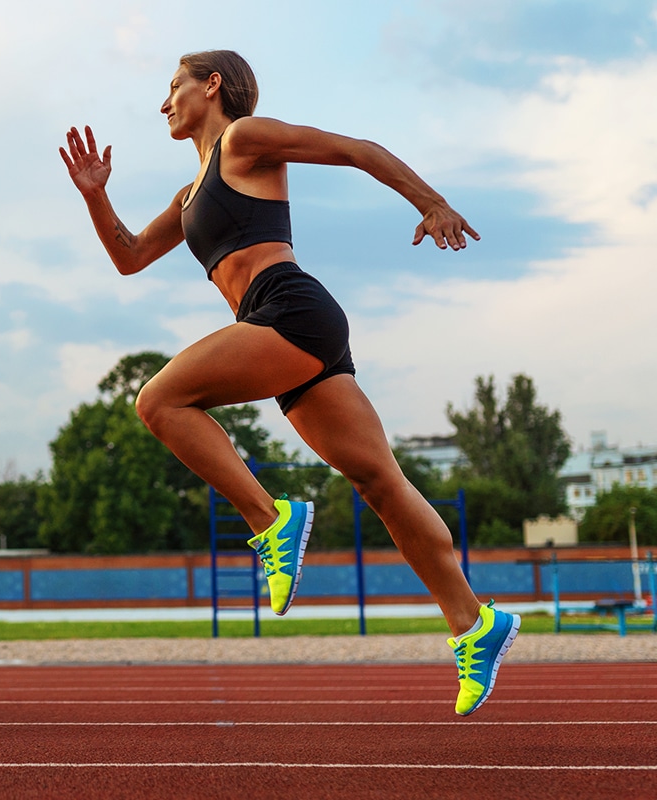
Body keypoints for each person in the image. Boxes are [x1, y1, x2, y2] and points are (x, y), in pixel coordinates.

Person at [60, 50, 518, 716]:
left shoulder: (245, 140)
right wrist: (97, 198)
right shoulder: (188, 197)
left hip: (289, 308)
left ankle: (270, 519)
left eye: (174, 87)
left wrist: (433, 202)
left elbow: (356, 150)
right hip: (284, 331)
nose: (165, 103)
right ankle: (474, 621)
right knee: (379, 482)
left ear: (212, 85)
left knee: (158, 400)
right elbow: (130, 257)